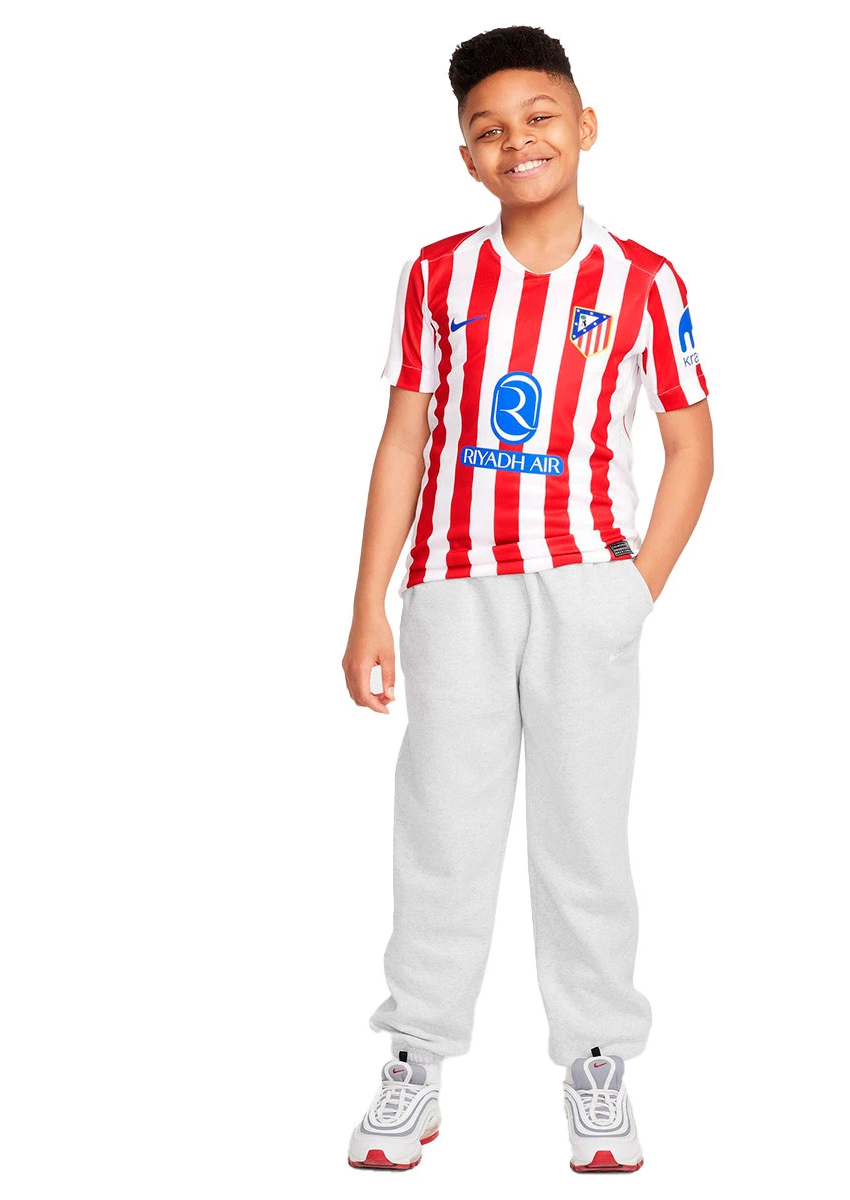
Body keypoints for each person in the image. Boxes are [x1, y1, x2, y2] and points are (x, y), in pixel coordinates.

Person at [342, 24, 714, 1173]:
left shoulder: (642, 281)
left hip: (585, 588)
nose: (519, 141)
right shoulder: (437, 276)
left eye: (540, 117)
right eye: (490, 129)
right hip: (454, 590)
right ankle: (415, 1058)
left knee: (583, 833)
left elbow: (692, 446)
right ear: (467, 155)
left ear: (585, 126)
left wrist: (634, 591)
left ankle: (598, 1061)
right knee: (442, 829)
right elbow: (404, 439)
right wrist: (368, 607)